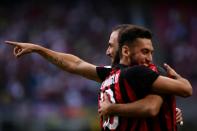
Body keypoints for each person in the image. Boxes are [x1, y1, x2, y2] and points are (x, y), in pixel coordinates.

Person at [5, 24, 189, 130]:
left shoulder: (146, 71)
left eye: (111, 45)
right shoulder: (113, 73)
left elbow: (152, 107)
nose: (107, 51)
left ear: (125, 48)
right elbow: (75, 64)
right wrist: (38, 49)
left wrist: (112, 108)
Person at [96, 25, 191, 130]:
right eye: (145, 52)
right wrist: (178, 77)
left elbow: (78, 65)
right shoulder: (140, 72)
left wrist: (168, 109)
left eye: (151, 53)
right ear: (126, 51)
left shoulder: (108, 75)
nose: (150, 58)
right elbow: (186, 90)